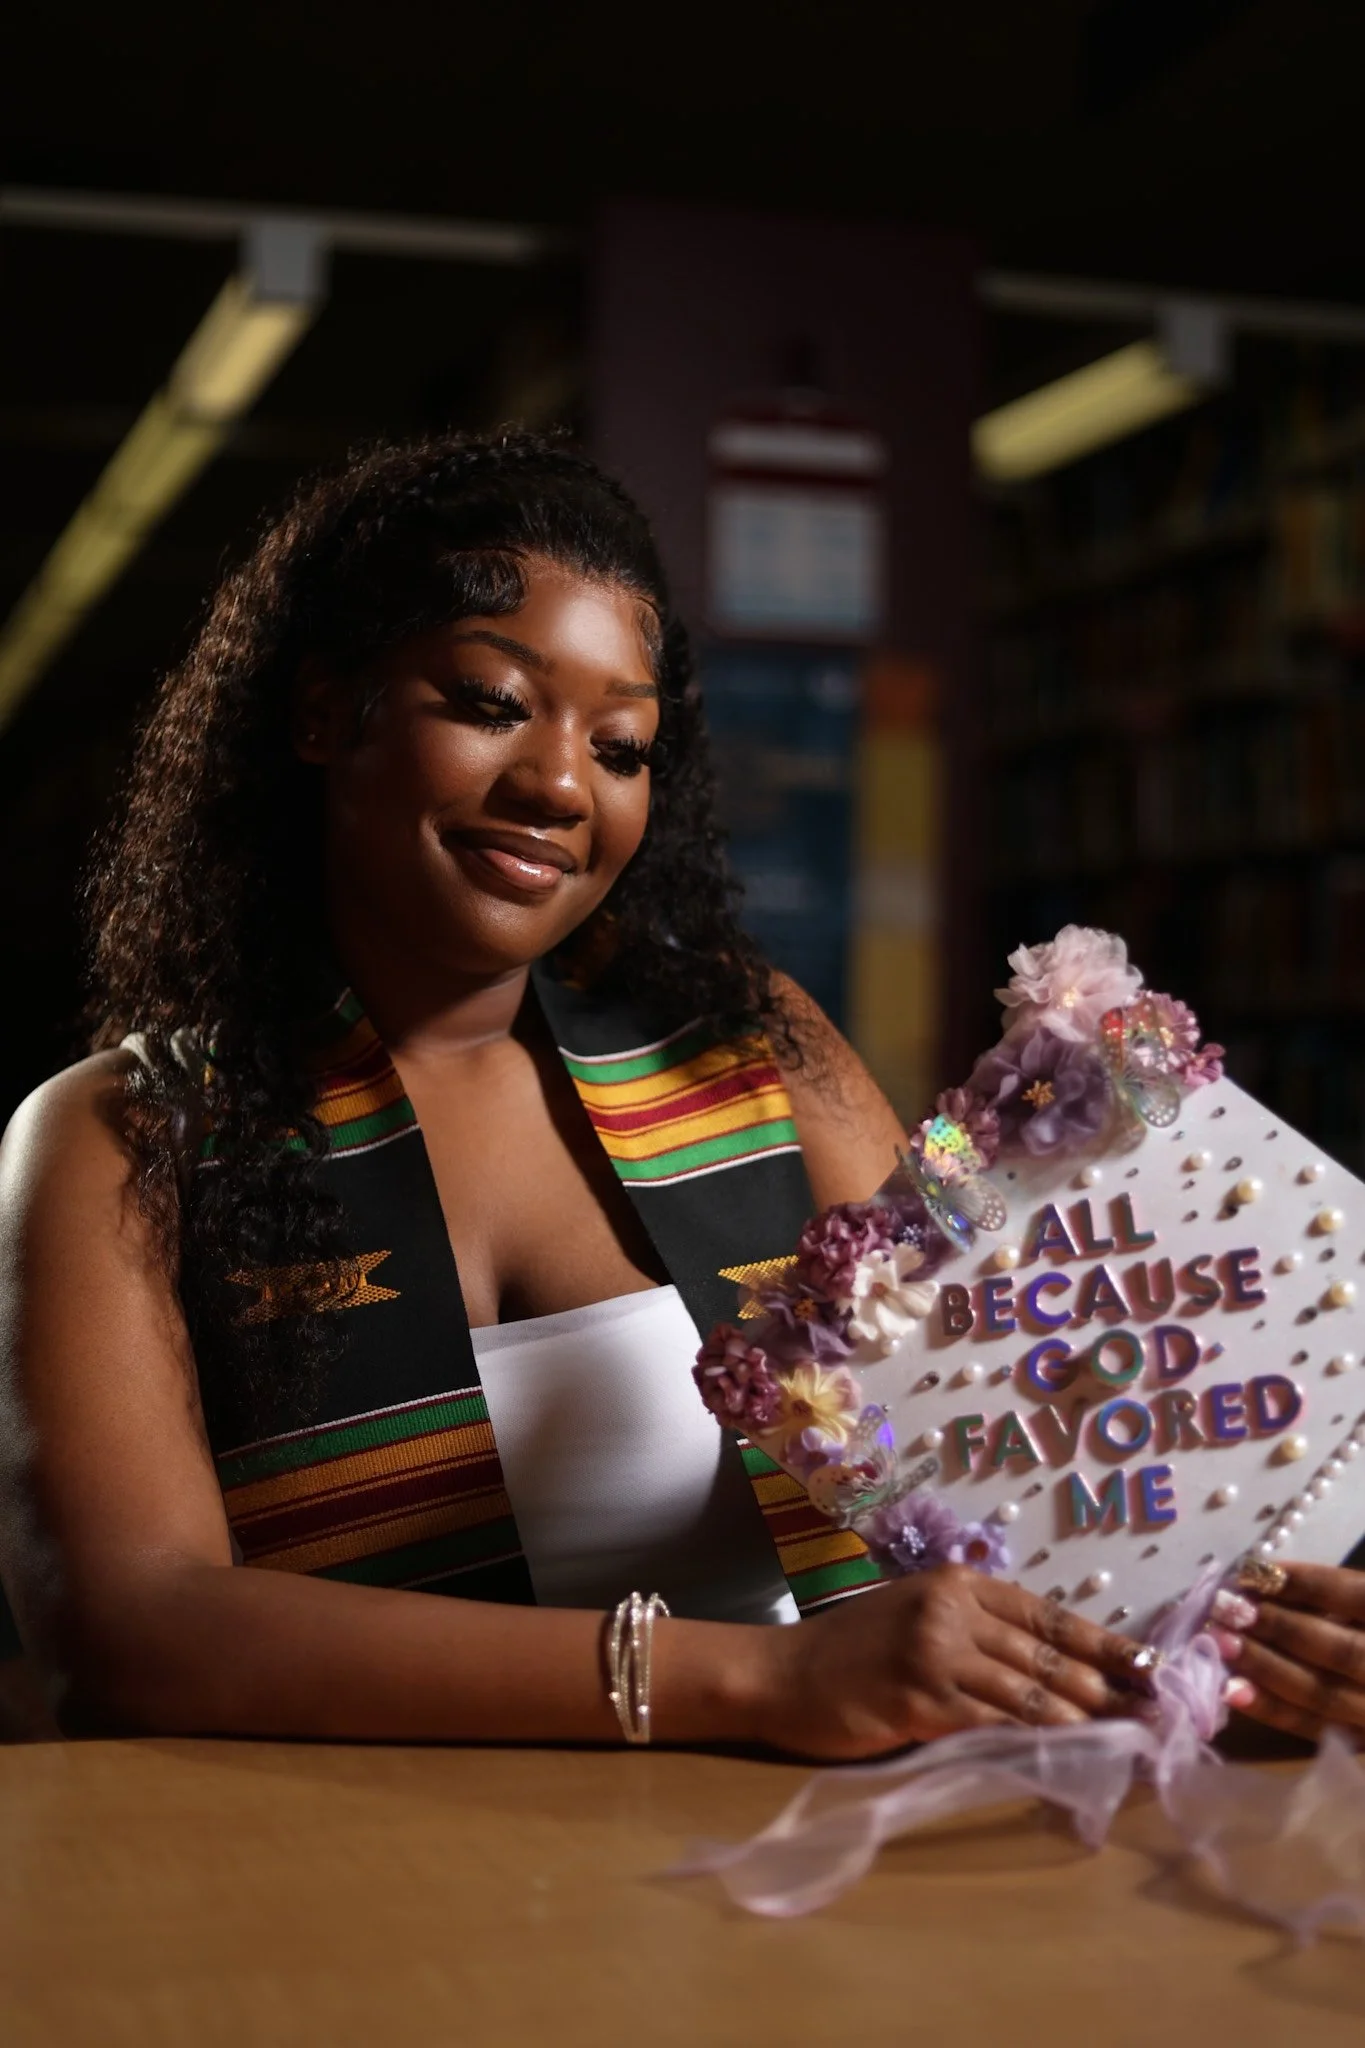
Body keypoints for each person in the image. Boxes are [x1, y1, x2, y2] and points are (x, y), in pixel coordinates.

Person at [0, 432, 1355, 1755]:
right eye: (489, 705)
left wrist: (1227, 1638)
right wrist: (753, 1683)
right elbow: (128, 1632)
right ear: (318, 713)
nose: (556, 786)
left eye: (623, 745)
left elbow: (1005, 1480)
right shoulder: (121, 1140)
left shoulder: (752, 1050)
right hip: (369, 1897)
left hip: (795, 1883)